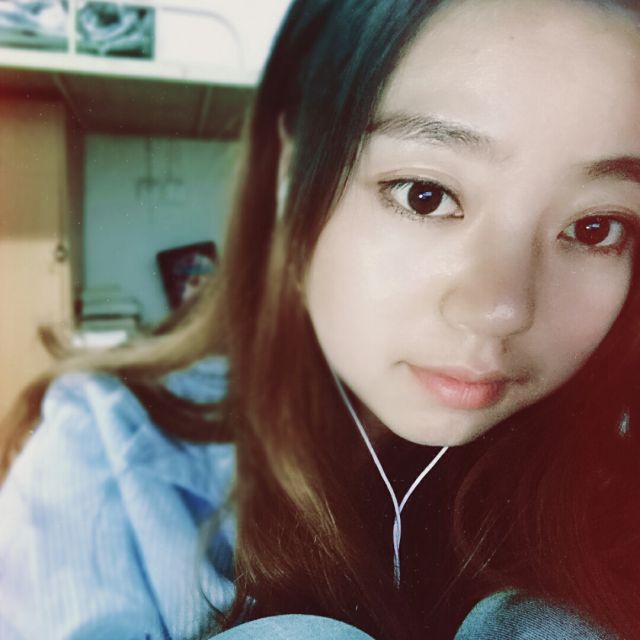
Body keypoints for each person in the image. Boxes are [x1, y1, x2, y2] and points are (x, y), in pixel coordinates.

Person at [1, 0, 640, 638]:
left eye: (595, 227)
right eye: (425, 195)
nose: (501, 311)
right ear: (291, 179)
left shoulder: (612, 470)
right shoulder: (109, 458)